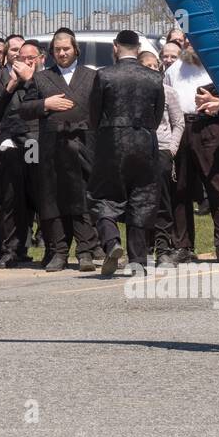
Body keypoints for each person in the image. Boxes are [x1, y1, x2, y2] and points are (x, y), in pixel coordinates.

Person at [18, 29, 101, 271]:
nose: (62, 53)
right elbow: (24, 109)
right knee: (52, 200)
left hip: (84, 145)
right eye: (57, 49)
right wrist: (45, 103)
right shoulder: (42, 78)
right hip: (52, 149)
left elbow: (101, 109)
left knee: (82, 199)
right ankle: (58, 251)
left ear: (76, 49)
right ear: (51, 52)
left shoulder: (92, 76)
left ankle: (85, 251)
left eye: (66, 48)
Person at [87, 30, 164, 277]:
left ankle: (112, 242)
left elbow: (94, 114)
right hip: (144, 140)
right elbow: (158, 113)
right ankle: (138, 261)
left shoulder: (104, 75)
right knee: (142, 197)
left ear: (115, 47)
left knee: (103, 195)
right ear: (138, 47)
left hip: (112, 141)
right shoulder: (154, 77)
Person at [164, 37, 219, 264]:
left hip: (210, 126)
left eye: (194, 38)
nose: (190, 43)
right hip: (181, 127)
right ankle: (182, 246)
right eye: (186, 39)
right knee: (180, 188)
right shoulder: (173, 69)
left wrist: (217, 102)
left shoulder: (218, 67)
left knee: (217, 186)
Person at [0, 35, 38, 267]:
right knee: (10, 198)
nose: (17, 54)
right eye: (12, 50)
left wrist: (30, 80)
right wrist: (10, 85)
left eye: (21, 50)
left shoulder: (37, 78)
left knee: (32, 195)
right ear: (4, 55)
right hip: (4, 146)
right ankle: (9, 249)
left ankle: (25, 247)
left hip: (33, 144)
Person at [140, 48, 185, 269]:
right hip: (139, 151)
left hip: (162, 149)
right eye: (145, 66)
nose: (151, 69)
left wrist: (172, 148)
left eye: (153, 66)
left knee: (162, 201)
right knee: (140, 202)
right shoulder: (134, 93)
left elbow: (178, 123)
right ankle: (142, 249)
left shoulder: (168, 92)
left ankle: (163, 249)